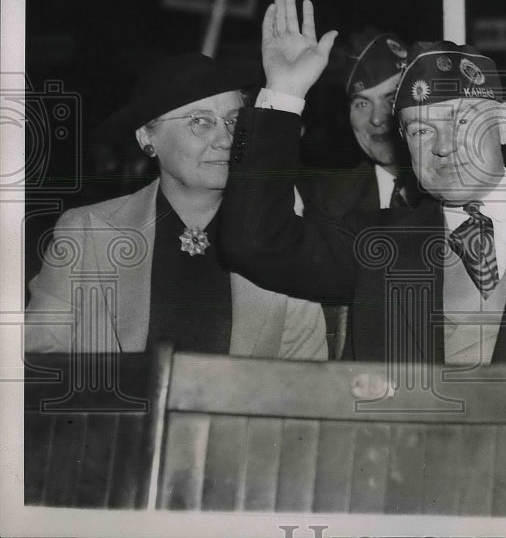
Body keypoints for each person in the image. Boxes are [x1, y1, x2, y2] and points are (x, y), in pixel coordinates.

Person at [221, 0, 506, 516]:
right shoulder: (381, 244)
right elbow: (254, 241)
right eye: (421, 129)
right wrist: (283, 94)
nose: (443, 147)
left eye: (463, 122)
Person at [24, 53, 327, 360]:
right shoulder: (88, 232)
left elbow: (305, 378)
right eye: (200, 121)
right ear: (147, 137)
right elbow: (41, 361)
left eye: (234, 121)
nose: (225, 140)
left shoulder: (281, 232)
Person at [296, 29, 421, 358]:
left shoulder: (453, 199)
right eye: (362, 103)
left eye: (392, 100)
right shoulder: (322, 202)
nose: (378, 119)